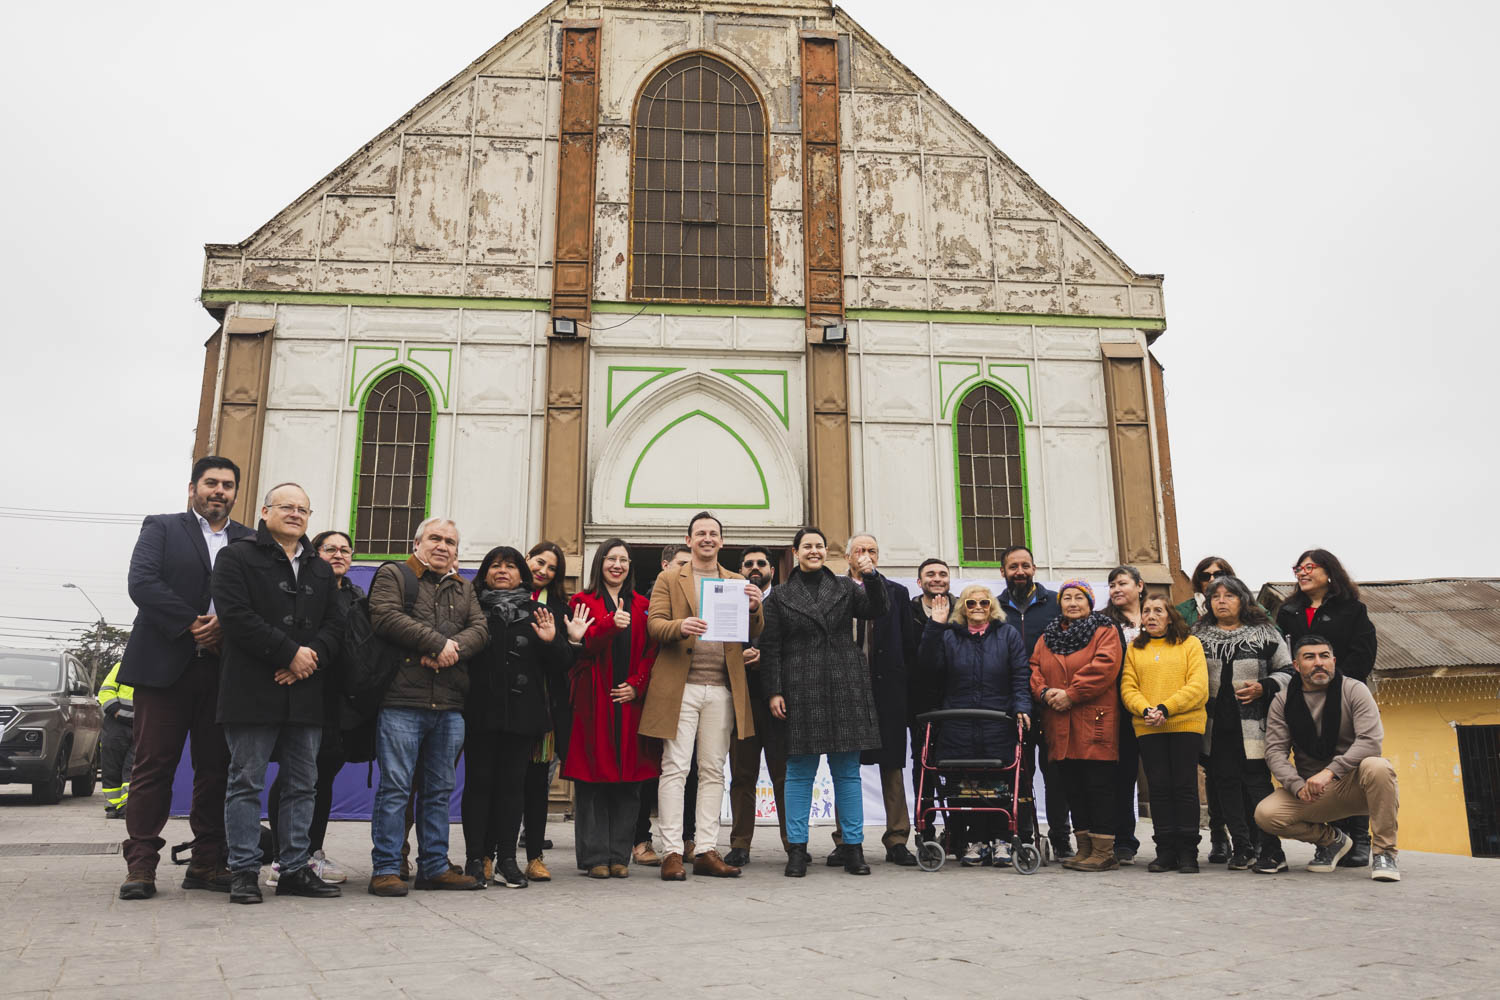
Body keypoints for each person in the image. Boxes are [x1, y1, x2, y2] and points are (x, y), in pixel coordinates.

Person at [118, 456, 255, 901]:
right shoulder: (161, 527)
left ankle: (206, 862)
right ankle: (140, 865)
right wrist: (194, 622)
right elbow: (143, 584)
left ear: (236, 493)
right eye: (211, 483)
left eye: (228, 485)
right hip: (164, 669)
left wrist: (226, 627)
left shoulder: (250, 541)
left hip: (222, 671)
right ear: (193, 487)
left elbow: (258, 602)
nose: (219, 491)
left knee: (216, 770)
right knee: (152, 766)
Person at [213, 483, 345, 904]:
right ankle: (244, 871)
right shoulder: (236, 556)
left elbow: (335, 626)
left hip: (305, 691)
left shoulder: (320, 568)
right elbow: (235, 616)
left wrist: (309, 659)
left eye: (303, 509)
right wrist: (289, 653)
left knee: (303, 784)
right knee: (246, 782)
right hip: (252, 688)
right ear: (265, 511)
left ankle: (293, 869)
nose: (295, 514)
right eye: (286, 506)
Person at [366, 517, 488, 897]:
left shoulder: (464, 588)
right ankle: (386, 868)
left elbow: (480, 630)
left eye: (450, 541)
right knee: (396, 788)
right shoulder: (394, 575)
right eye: (435, 538)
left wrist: (451, 652)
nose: (442, 546)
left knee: (439, 789)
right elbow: (385, 616)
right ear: (417, 542)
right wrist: (438, 643)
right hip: (402, 701)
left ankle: (434, 866)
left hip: (450, 705)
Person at [642, 512, 764, 880]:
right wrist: (681, 626)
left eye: (713, 534)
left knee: (713, 770)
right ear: (689, 539)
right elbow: (654, 624)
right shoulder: (669, 578)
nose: (707, 539)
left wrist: (756, 607)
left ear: (722, 542)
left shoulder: (736, 580)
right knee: (675, 768)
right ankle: (673, 852)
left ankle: (708, 849)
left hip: (722, 689)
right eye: (700, 534)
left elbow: (753, 628)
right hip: (681, 688)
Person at [761, 526, 886, 877]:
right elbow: (770, 649)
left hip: (845, 685)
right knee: (799, 774)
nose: (814, 551)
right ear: (795, 552)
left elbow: (877, 608)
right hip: (801, 688)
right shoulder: (780, 596)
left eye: (819, 546)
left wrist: (871, 575)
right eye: (807, 546)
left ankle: (853, 849)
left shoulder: (846, 588)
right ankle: (797, 851)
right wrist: (774, 691)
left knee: (847, 774)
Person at [1254, 635, 1401, 882]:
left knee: (1378, 766)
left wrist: (1330, 771)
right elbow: (1275, 752)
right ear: (1297, 666)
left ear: (1333, 661)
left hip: (1355, 784)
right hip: (1312, 790)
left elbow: (1370, 741)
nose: (1318, 663)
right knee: (1266, 814)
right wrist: (1296, 784)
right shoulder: (1283, 701)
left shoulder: (1354, 690)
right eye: (1309, 657)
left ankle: (1385, 853)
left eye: (1324, 656)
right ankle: (1331, 841)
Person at [463, 546, 567, 889]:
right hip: (479, 713)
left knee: (512, 788)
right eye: (495, 565)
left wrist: (552, 642)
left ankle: (508, 858)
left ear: (522, 574)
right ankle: (476, 858)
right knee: (479, 785)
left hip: (523, 716)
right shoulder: (471, 607)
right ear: (484, 572)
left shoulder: (539, 611)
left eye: (510, 565)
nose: (503, 570)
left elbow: (563, 665)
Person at [265, 530, 359, 888]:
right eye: (330, 548)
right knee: (294, 774)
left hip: (340, 698)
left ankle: (312, 851)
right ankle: (281, 855)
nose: (338, 554)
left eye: (345, 550)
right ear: (315, 553)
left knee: (325, 772)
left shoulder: (356, 595)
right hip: (300, 685)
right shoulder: (302, 588)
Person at [1274, 548, 1379, 870]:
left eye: (1310, 567)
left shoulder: (1352, 610)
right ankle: (1331, 840)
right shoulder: (1288, 611)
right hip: (1301, 697)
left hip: (1345, 694)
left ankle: (1361, 839)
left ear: (1329, 572)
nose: (1302, 573)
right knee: (1311, 758)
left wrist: (1338, 686)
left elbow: (1364, 652)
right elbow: (1282, 655)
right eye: (1298, 568)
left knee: (1352, 758)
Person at [564, 539, 659, 878]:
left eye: (623, 560)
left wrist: (638, 683)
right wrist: (608, 625)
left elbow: (652, 650)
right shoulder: (582, 601)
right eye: (611, 558)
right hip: (594, 697)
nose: (617, 565)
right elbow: (581, 648)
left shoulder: (644, 605)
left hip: (629, 699)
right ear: (599, 562)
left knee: (628, 780)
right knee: (593, 780)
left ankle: (620, 855)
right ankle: (594, 857)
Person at [918, 583, 1031, 866]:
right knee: (964, 787)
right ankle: (974, 840)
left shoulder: (1008, 635)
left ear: (992, 606)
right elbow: (928, 669)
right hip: (958, 724)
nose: (978, 608)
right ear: (962, 608)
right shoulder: (949, 637)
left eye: (983, 602)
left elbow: (1020, 675)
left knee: (999, 785)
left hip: (997, 723)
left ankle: (1002, 840)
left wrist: (1021, 708)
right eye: (971, 603)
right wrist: (935, 627)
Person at [1194, 574, 1294, 874]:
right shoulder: (1197, 636)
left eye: (1229, 595)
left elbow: (1289, 671)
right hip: (1214, 726)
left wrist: (1265, 686)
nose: (1221, 601)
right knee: (1224, 785)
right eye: (1215, 596)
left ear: (1243, 600)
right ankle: (1242, 847)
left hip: (1253, 725)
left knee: (1257, 785)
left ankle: (1271, 849)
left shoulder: (1265, 634)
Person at [1028, 580, 1123, 872]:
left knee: (1098, 786)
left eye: (1078, 598)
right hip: (1059, 722)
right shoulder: (1048, 636)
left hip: (1093, 719)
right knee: (1073, 787)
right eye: (1066, 597)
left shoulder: (1105, 631)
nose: (1072, 603)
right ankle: (1083, 848)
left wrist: (1070, 694)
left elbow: (1104, 668)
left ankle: (1104, 851)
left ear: (1090, 603)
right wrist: (1044, 693)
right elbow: (1034, 668)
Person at [845, 534, 920, 868]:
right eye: (859, 550)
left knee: (892, 766)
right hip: (847, 690)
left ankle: (898, 838)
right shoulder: (836, 589)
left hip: (887, 689)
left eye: (872, 550)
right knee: (845, 768)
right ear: (848, 557)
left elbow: (907, 642)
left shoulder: (897, 593)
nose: (866, 556)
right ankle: (845, 839)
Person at [1121, 595, 1208, 873]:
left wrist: (1165, 708)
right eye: (1146, 611)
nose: (1151, 615)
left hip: (1184, 725)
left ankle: (1188, 853)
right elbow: (1128, 688)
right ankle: (1165, 851)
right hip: (1149, 726)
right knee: (1158, 788)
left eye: (1158, 610)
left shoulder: (1190, 644)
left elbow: (1198, 687)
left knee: (1183, 787)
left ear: (1170, 616)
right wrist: (1147, 710)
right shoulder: (1135, 649)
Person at [996, 545, 1072, 859]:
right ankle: (1024, 836)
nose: (1020, 572)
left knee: (1056, 774)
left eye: (1025, 565)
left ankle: (1061, 837)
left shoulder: (1056, 603)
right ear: (1003, 572)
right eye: (1013, 567)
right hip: (1013, 704)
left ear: (1034, 569)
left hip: (1052, 702)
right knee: (1019, 773)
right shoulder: (994, 608)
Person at [521, 540, 584, 881]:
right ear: (526, 558)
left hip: (543, 706)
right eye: (539, 562)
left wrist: (569, 641)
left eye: (551, 569)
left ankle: (534, 855)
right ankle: (488, 855)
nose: (543, 571)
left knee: (536, 784)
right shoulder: (499, 595)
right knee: (500, 781)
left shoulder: (561, 607)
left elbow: (565, 662)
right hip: (501, 705)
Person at [725, 545, 788, 868]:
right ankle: (739, 844)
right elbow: (717, 645)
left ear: (771, 570)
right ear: (740, 570)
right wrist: (739, 658)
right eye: (748, 563)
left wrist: (767, 661)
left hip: (778, 700)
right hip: (742, 698)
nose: (755, 567)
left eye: (761, 563)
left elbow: (794, 648)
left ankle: (793, 843)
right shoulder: (728, 599)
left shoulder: (785, 599)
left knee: (783, 776)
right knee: (742, 775)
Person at [633, 543, 695, 866]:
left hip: (689, 693)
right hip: (650, 694)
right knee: (649, 768)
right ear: (664, 565)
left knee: (691, 769)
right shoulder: (644, 604)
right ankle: (641, 838)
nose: (688, 570)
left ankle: (688, 839)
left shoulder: (700, 599)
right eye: (682, 563)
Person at [1103, 565, 1145, 865]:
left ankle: (1172, 840)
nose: (1116, 589)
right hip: (1119, 709)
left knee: (1163, 776)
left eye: (1122, 583)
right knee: (1122, 777)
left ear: (1140, 586)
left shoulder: (1159, 616)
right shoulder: (1103, 622)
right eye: (1112, 585)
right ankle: (1123, 841)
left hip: (1159, 708)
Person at [908, 557, 951, 842]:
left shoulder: (963, 607)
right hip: (919, 700)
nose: (937, 578)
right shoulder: (908, 611)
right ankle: (925, 829)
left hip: (954, 698)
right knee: (922, 766)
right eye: (930, 574)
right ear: (919, 581)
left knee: (956, 765)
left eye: (942, 574)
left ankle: (960, 828)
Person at [97, 661, 134, 819]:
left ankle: (127, 806)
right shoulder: (122, 666)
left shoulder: (156, 667)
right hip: (116, 723)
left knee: (132, 767)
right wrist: (116, 711)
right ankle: (112, 806)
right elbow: (105, 692)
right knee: (111, 765)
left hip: (141, 724)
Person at [1177, 555, 1235, 626]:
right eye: (1205, 576)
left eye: (1218, 575)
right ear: (1198, 581)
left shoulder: (1243, 608)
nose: (1212, 580)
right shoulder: (1181, 612)